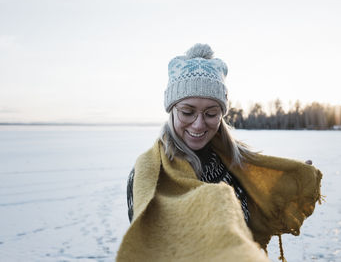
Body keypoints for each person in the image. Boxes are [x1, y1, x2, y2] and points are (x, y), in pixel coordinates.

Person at [117, 44, 322, 262]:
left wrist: (290, 179)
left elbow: (256, 215)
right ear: (172, 110)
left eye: (211, 113)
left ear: (222, 115)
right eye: (187, 112)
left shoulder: (235, 163)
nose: (198, 125)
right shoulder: (150, 175)